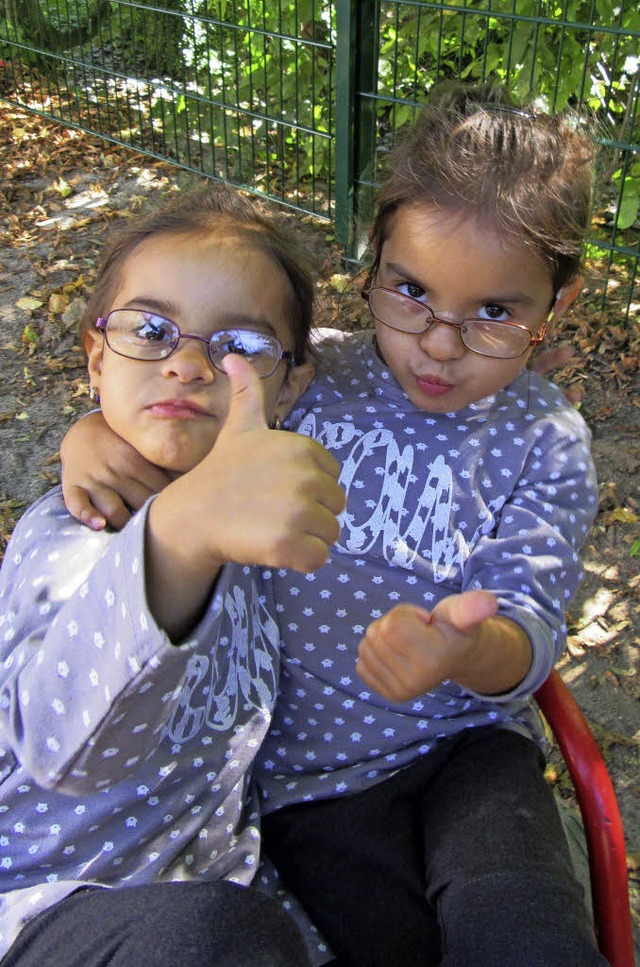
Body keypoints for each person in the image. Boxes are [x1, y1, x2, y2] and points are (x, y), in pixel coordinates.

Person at [58, 84, 606, 966]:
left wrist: (466, 649)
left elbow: (528, 631)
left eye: (495, 312)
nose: (439, 341)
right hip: (303, 778)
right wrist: (91, 435)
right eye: (411, 290)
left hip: (468, 749)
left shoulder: (543, 440)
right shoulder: (301, 374)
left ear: (558, 306)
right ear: (369, 265)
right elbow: (175, 421)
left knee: (522, 922)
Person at [0, 183, 345, 966]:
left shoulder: (265, 493)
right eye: (151, 330)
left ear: (290, 386)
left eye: (238, 346)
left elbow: (418, 345)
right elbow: (65, 751)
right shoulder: (70, 532)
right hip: (49, 906)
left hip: (223, 887)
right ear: (97, 359)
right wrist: (179, 530)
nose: (189, 363)